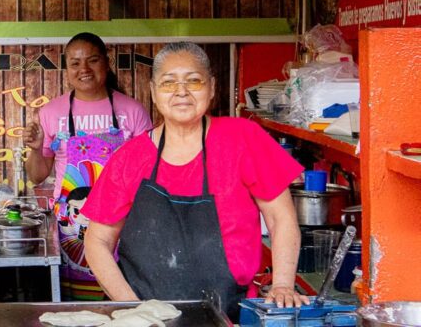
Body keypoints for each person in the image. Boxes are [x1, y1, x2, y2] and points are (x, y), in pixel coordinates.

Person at [82, 42, 308, 321]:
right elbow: (97, 241)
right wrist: (133, 310)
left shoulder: (244, 138)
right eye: (168, 82)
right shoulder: (129, 158)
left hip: (229, 313)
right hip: (147, 316)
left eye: (194, 80)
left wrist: (283, 284)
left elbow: (280, 217)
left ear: (211, 87)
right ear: (153, 92)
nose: (181, 91)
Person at [23, 32, 152, 300]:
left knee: (124, 300)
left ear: (106, 62)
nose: (84, 69)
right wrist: (35, 149)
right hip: (72, 226)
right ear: (66, 68)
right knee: (78, 307)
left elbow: (149, 173)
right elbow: (37, 176)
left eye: (92, 60)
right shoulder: (51, 113)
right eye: (75, 63)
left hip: (122, 224)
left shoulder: (133, 110)